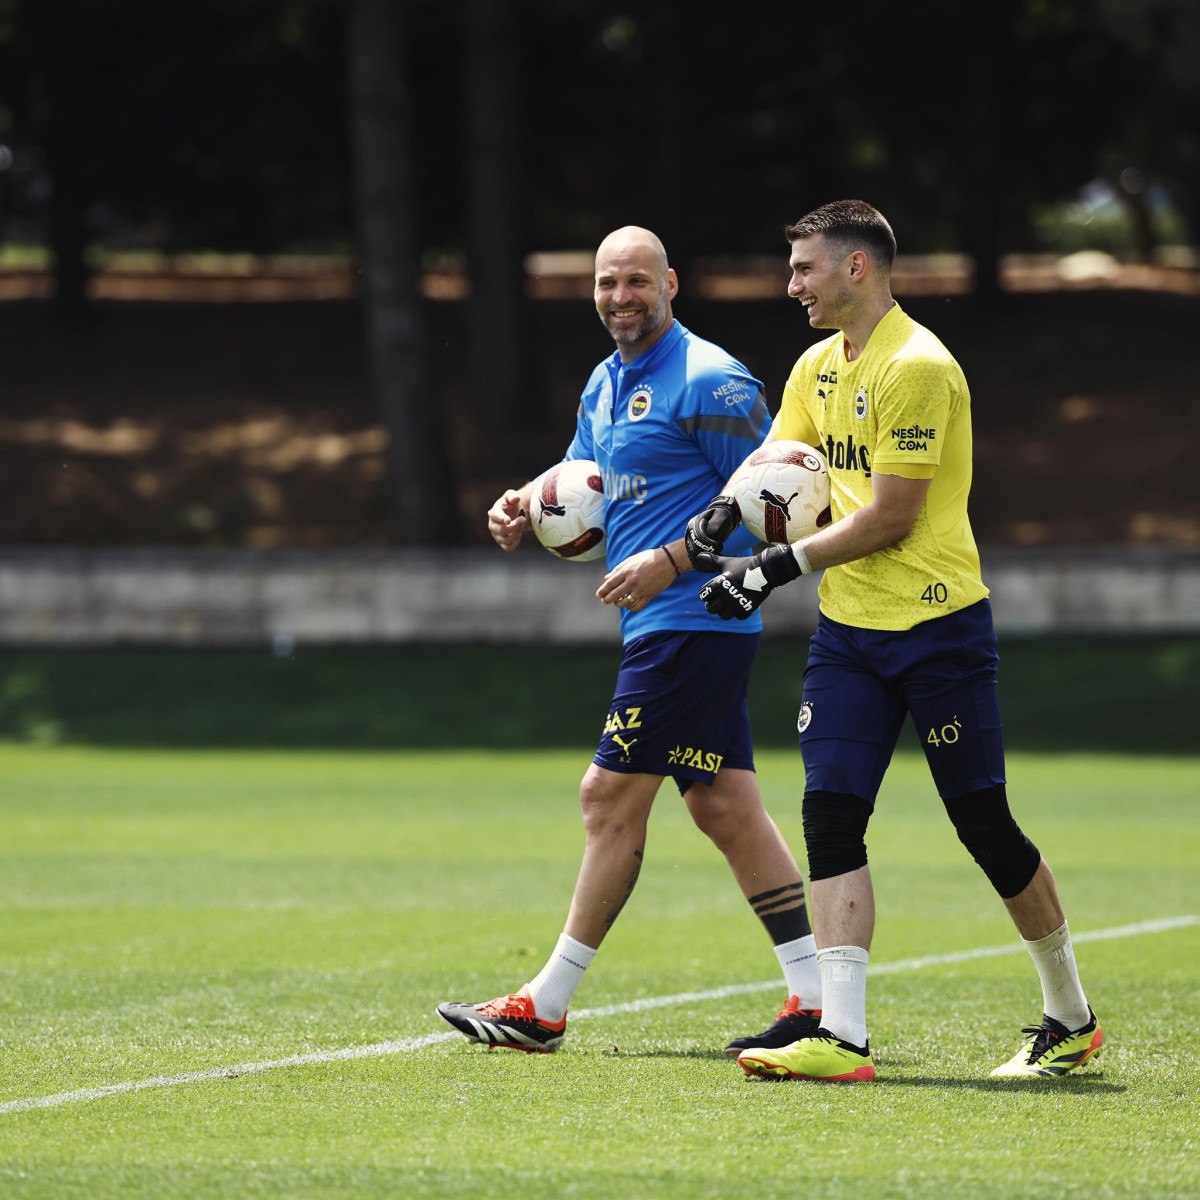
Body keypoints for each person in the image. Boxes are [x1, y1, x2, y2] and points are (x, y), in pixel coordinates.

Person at [685, 199, 1102, 1083]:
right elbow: (776, 465)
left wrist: (770, 569)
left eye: (804, 268)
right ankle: (843, 1036)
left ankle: (1071, 1016)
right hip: (850, 634)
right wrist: (718, 520)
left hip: (938, 627)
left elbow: (891, 515)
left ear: (856, 268)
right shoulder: (812, 365)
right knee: (830, 811)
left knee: (983, 824)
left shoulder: (918, 366)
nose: (791, 283)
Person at [436, 226, 822, 1055]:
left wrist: (671, 561)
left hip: (695, 623)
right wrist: (523, 503)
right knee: (726, 809)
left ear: (671, 284)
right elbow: (582, 478)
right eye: (608, 283)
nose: (622, 297)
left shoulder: (712, 381)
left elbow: (772, 496)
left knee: (605, 798)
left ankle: (544, 1006)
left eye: (638, 282)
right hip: (656, 627)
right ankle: (816, 1000)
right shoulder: (603, 384)